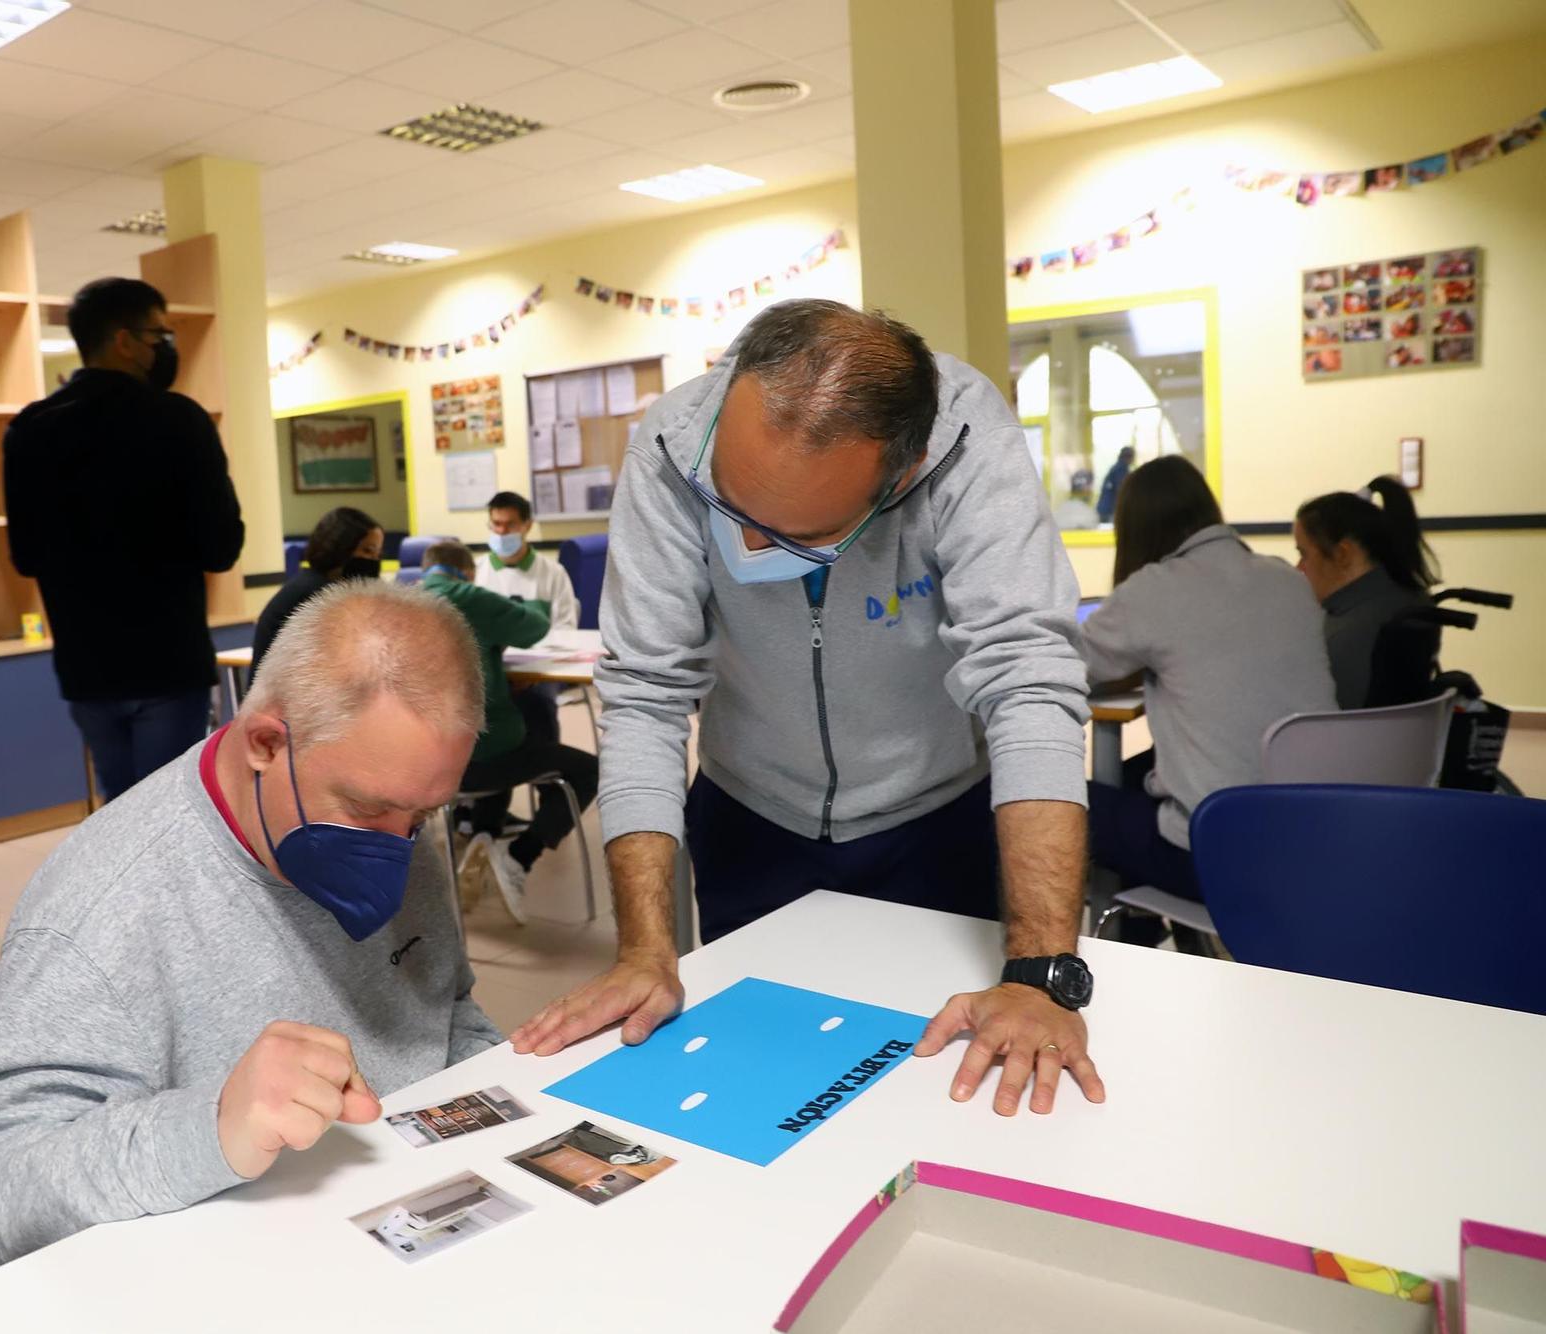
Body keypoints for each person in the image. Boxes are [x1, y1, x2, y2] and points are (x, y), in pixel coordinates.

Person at [512, 300, 1103, 1120]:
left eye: (793, 535)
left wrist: (1041, 975)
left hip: (933, 816)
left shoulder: (967, 441)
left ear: (899, 476)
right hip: (752, 811)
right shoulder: (672, 444)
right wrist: (646, 950)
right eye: (735, 509)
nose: (751, 550)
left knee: (936, 1098)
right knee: (754, 1093)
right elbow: (645, 698)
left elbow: (1029, 682)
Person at [0, 581, 501, 1264]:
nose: (402, 846)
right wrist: (214, 1124)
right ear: (267, 743)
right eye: (367, 813)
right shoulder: (102, 911)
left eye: (421, 818)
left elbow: (446, 1013)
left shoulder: (392, 792)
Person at [3, 276, 244, 803]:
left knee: (120, 814)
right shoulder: (179, 420)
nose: (165, 346)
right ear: (123, 339)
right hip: (167, 659)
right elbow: (221, 547)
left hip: (86, 664)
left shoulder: (30, 430)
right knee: (172, 814)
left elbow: (24, 555)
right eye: (159, 334)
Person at [1081, 457, 1337, 940]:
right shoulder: (1286, 578)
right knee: (1138, 774)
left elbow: (1069, 664)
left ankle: (1127, 947)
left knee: (1078, 800)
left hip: (1219, 857)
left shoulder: (1154, 590)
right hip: (1315, 839)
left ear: (1135, 528)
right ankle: (1158, 940)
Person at [419, 541, 598, 925]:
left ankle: (484, 830)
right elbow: (533, 625)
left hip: (418, 767)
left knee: (515, 725)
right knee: (583, 767)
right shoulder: (468, 596)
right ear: (467, 572)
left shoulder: (400, 601)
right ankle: (519, 856)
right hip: (475, 761)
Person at [1293, 476, 1437, 708]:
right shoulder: (1410, 599)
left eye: (1304, 554)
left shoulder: (1346, 633)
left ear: (1343, 554)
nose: (1298, 568)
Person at [474, 490, 581, 746]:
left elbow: (565, 630)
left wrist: (533, 672)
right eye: (496, 524)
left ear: (527, 526)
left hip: (539, 674)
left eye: (509, 524)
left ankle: (545, 772)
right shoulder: (477, 572)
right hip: (490, 672)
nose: (501, 532)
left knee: (538, 706)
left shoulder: (553, 573)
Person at [251, 506, 383, 680]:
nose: (373, 561)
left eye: (377, 554)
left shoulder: (312, 584)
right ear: (340, 548)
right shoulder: (316, 594)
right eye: (367, 551)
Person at [1096, 445, 1135, 524]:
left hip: (1105, 509)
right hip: (1111, 511)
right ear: (1128, 457)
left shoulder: (1116, 468)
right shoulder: (1121, 469)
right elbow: (1122, 490)